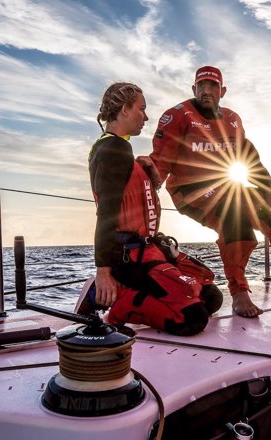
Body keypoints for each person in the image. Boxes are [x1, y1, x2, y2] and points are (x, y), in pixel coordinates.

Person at [150, 66, 271, 317]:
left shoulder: (232, 118)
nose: (206, 91)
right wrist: (148, 188)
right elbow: (160, 161)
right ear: (193, 89)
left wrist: (269, 189)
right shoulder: (177, 115)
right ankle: (239, 291)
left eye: (213, 86)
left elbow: (248, 155)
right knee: (234, 209)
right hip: (189, 191)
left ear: (222, 91)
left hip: (226, 187)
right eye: (202, 86)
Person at [81, 82, 222, 336]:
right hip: (129, 258)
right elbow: (106, 214)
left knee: (211, 296)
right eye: (141, 109)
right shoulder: (113, 150)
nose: (146, 117)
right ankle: (123, 303)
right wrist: (103, 271)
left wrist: (149, 173)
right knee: (192, 319)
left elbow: (134, 201)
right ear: (125, 109)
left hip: (149, 250)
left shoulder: (124, 150)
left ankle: (143, 291)